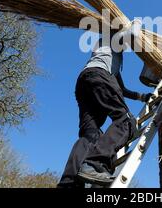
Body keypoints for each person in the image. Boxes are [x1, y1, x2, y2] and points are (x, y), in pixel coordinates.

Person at [58, 21, 152, 187]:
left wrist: (142, 97)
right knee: (126, 121)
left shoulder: (107, 53)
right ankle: (95, 163)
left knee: (90, 135)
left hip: (85, 80)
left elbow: (121, 89)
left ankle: (68, 182)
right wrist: (136, 23)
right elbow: (132, 34)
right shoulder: (113, 38)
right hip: (99, 77)